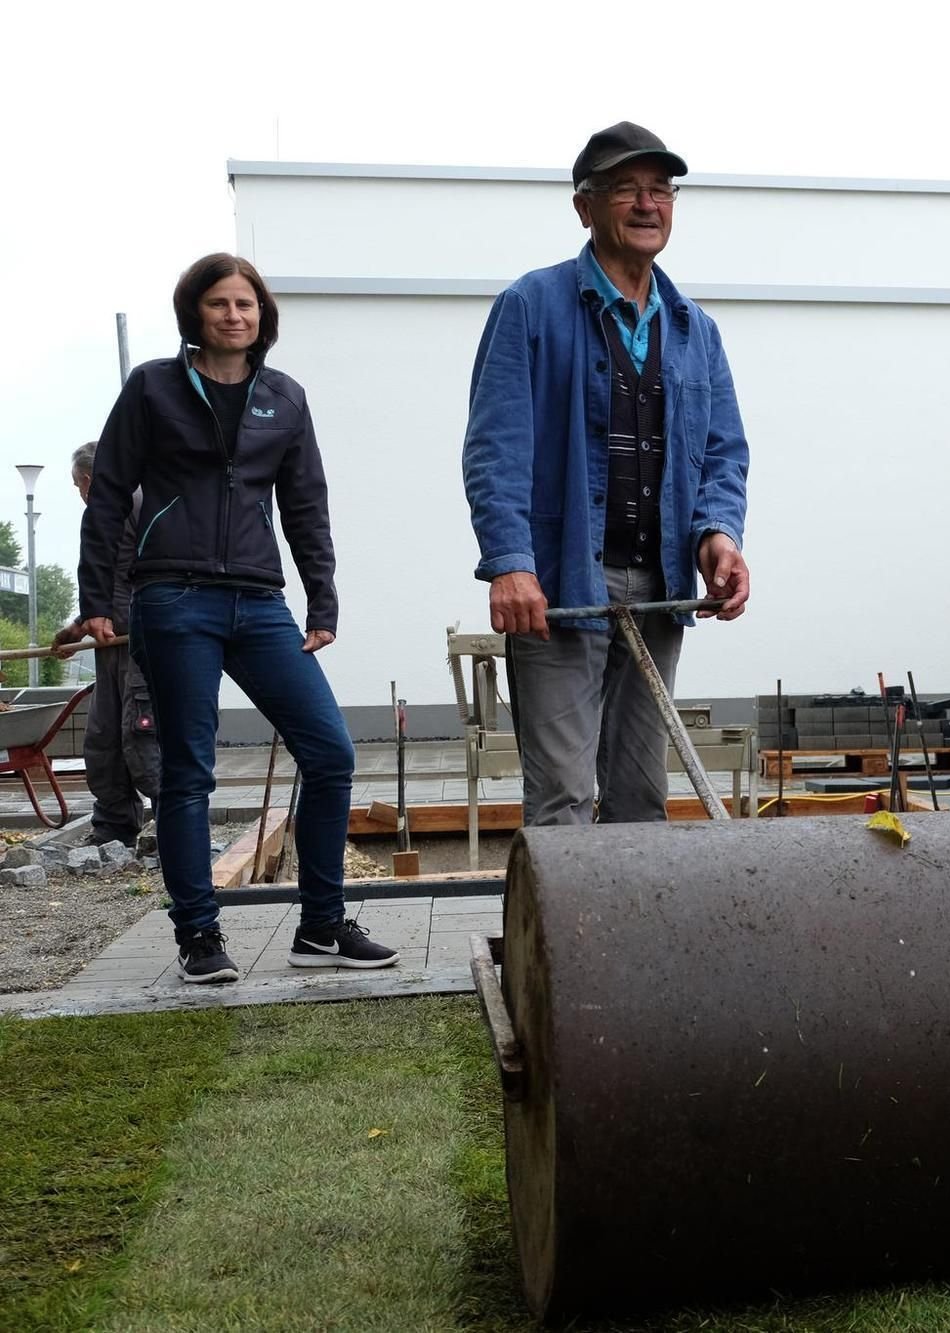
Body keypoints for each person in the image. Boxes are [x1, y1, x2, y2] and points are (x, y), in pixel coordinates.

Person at [78, 253, 396, 984]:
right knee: (189, 771)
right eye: (219, 303)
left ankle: (320, 926)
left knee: (331, 751)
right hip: (172, 599)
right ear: (196, 312)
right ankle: (198, 934)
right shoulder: (153, 387)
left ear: (262, 317)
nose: (233, 315)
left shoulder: (283, 397)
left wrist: (323, 597)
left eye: (245, 304)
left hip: (258, 600)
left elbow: (306, 501)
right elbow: (109, 493)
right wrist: (98, 598)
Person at [464, 121, 750, 826]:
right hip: (560, 588)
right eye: (627, 189)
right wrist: (510, 562)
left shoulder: (693, 329)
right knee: (562, 797)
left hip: (658, 591)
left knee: (640, 798)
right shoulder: (531, 307)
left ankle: (630, 941)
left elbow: (722, 452)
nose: (648, 204)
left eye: (661, 190)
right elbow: (495, 447)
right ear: (584, 207)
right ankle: (560, 941)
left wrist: (719, 536)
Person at [52, 441, 160, 847]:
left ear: (87, 479)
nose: (80, 494)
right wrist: (79, 627)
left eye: (77, 486)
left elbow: (140, 576)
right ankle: (114, 827)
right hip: (110, 647)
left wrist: (105, 622)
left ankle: (176, 829)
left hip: (140, 643)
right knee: (104, 739)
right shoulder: (109, 512)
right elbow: (107, 580)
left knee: (142, 736)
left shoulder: (133, 502)